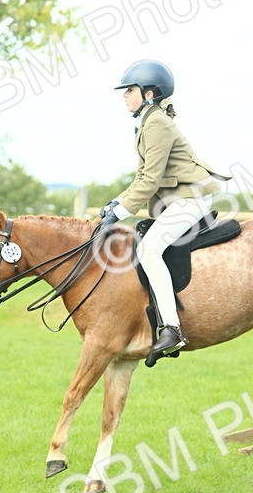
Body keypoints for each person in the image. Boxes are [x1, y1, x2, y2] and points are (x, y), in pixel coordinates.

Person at [97, 60, 229, 365]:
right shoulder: (147, 121)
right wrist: (116, 204)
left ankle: (171, 328)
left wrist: (120, 213)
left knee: (149, 250)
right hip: (180, 200)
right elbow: (142, 175)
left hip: (190, 199)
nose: (124, 96)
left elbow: (151, 178)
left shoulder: (156, 123)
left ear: (149, 93)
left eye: (129, 90)